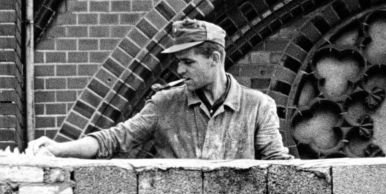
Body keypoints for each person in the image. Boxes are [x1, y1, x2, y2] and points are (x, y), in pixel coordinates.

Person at [27, 18, 293, 160]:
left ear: (215, 59)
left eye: (188, 62)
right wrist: (58, 149)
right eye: (179, 63)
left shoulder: (258, 106)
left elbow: (278, 167)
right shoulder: (164, 104)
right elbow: (114, 139)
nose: (180, 71)